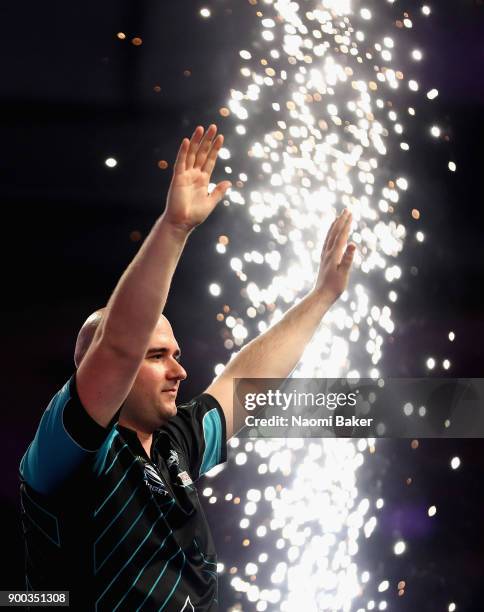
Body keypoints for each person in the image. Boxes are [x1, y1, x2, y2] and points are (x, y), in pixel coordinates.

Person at [19, 124, 356, 611]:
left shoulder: (176, 442)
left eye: (176, 354)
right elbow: (117, 346)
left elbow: (244, 382)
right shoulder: (70, 450)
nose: (179, 371)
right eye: (156, 356)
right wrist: (173, 229)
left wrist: (322, 297)